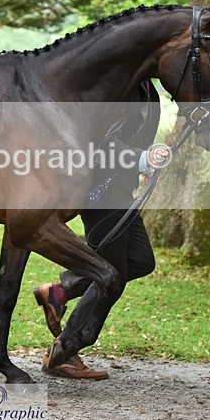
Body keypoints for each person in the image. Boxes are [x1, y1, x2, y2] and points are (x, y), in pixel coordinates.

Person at [33, 79, 166, 379]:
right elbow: (106, 144)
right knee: (110, 279)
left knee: (142, 260)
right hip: (101, 194)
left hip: (121, 192)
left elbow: (131, 139)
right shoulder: (121, 88)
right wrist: (141, 158)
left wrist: (144, 163)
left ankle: (60, 291)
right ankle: (61, 354)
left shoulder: (148, 91)